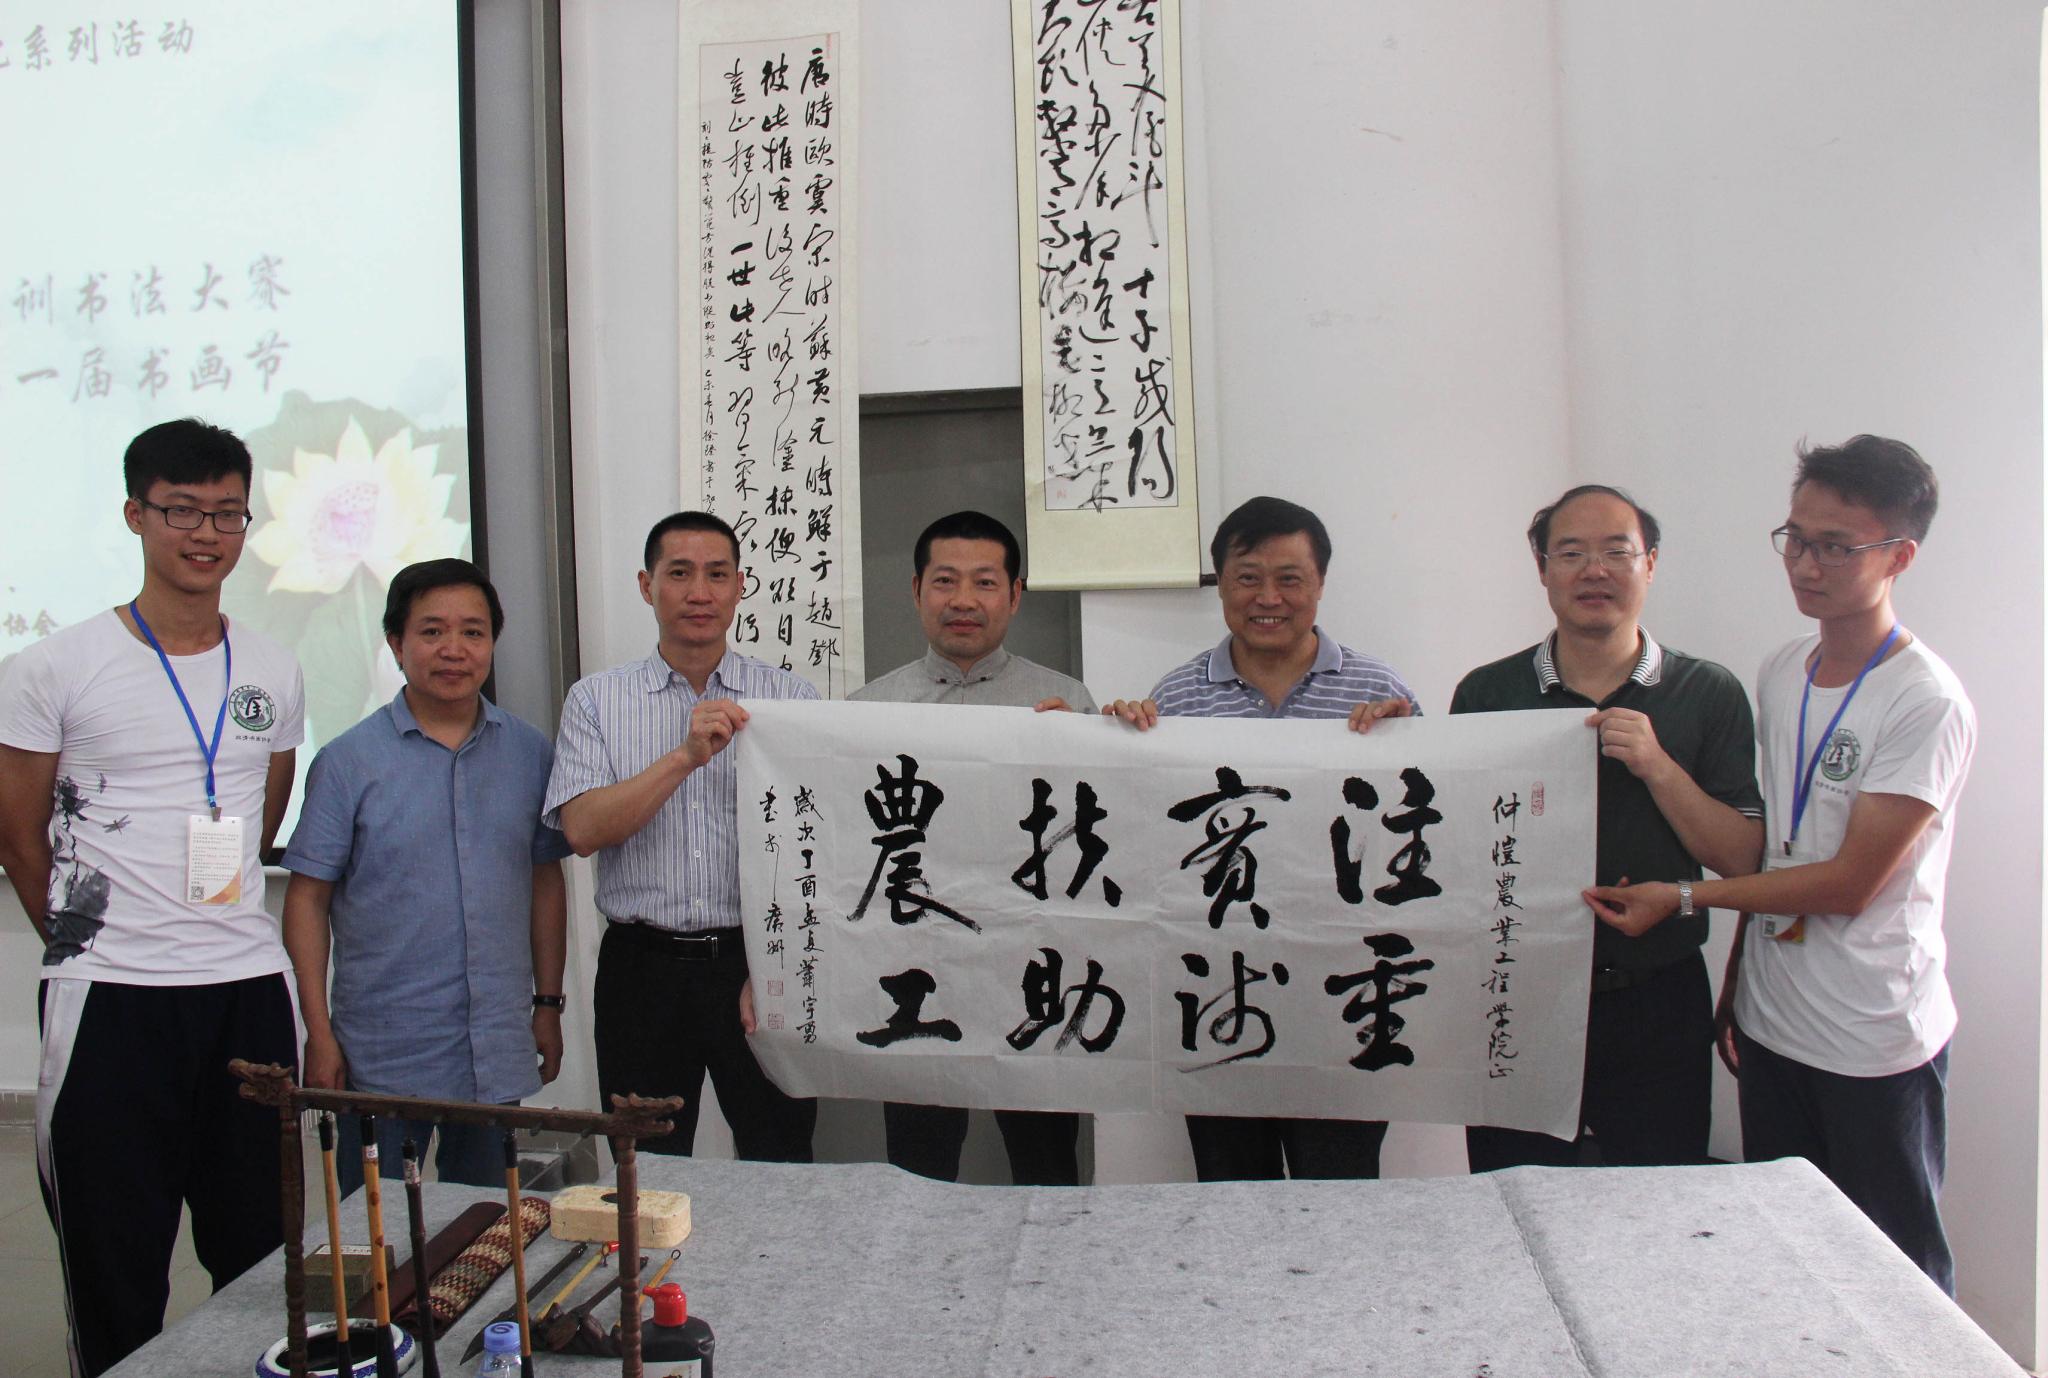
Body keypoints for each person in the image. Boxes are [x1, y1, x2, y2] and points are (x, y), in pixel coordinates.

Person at [1586, 436, 1974, 1293]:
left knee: (1896, 1275)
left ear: (1899, 556)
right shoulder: (1784, 670)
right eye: (1795, 538)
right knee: (1794, 1265)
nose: (1805, 564)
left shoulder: (1925, 701)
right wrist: (1739, 980)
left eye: (1836, 546)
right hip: (1772, 1026)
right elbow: (1786, 848)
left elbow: (1848, 884)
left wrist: (1685, 897)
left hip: (1872, 1037)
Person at [0, 419, 304, 1376]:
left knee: (262, 1257)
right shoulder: (53, 666)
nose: (206, 533)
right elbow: (18, 834)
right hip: (112, 1000)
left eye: (227, 513)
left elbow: (262, 812)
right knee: (116, 1261)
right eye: (182, 511)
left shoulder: (273, 667)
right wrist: (89, 939)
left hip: (248, 992)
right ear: (136, 515)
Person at [1104, 495, 1418, 1181]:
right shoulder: (1177, 699)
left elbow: (1426, 836)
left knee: (1340, 1197)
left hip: (1343, 1003)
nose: (1268, 598)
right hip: (1220, 998)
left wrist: (1407, 746)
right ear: (1221, 584)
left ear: (1320, 583)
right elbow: (1144, 843)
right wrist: (1118, 743)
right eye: (1247, 578)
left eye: (1289, 578)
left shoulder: (1379, 692)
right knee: (1232, 1200)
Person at [1451, 485, 1763, 1171]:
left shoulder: (1707, 692)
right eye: (1571, 553)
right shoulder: (1487, 694)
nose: (1594, 571)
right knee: (1513, 1193)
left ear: (1651, 563)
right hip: (1518, 993)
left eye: (1617, 552)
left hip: (1657, 997)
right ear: (1542, 569)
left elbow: (1743, 859)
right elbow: (1459, 849)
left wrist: (1658, 767)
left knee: (1659, 1201)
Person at [281, 558, 571, 1190]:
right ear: (396, 643)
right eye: (432, 631)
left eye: (473, 632)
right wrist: (318, 1033)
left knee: (486, 1226)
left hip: (492, 1046)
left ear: (492, 643)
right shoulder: (347, 762)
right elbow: (306, 900)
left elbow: (545, 883)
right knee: (380, 1231)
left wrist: (548, 1005)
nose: (454, 650)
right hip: (381, 1054)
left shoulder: (530, 753)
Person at [544, 511, 817, 1159]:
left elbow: (815, 848)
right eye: (679, 573)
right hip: (642, 971)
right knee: (645, 1170)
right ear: (647, 586)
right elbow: (581, 830)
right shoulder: (596, 700)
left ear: (740, 587)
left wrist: (772, 964)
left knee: (781, 1159)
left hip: (758, 960)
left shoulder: (789, 698)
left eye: (717, 575)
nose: (700, 592)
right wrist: (685, 757)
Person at [851, 510, 1097, 1185]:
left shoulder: (1067, 704)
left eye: (985, 582)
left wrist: (1090, 745)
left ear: (1014, 595)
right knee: (919, 1166)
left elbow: (1101, 840)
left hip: (1032, 966)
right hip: (917, 968)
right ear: (916, 590)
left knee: (1046, 1164)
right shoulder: (864, 711)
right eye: (945, 581)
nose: (963, 600)